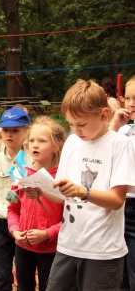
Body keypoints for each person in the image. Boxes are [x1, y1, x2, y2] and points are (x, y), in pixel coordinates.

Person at [28, 79, 135, 291]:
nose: (76, 130)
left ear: (104, 115)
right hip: (69, 246)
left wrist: (83, 191)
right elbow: (62, 195)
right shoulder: (73, 142)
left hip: (103, 252)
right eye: (70, 124)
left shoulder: (119, 144)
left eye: (82, 124)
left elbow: (116, 201)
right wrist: (41, 190)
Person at [7, 116, 65, 291]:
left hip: (51, 250)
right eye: (31, 140)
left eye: (42, 140)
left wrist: (47, 233)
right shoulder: (20, 174)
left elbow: (71, 218)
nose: (35, 145)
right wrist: (15, 231)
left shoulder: (62, 178)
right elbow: (12, 208)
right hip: (23, 247)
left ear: (57, 145)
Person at [0, 107, 31, 291]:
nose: (9, 135)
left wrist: (20, 217)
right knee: (2, 277)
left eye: (15, 130)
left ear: (26, 131)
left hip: (26, 225)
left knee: (24, 276)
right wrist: (9, 213)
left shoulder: (32, 160)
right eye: (5, 130)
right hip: (1, 225)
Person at [109, 75, 135, 291]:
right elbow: (101, 150)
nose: (131, 103)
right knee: (120, 271)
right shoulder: (124, 131)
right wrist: (115, 124)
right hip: (120, 205)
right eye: (128, 98)